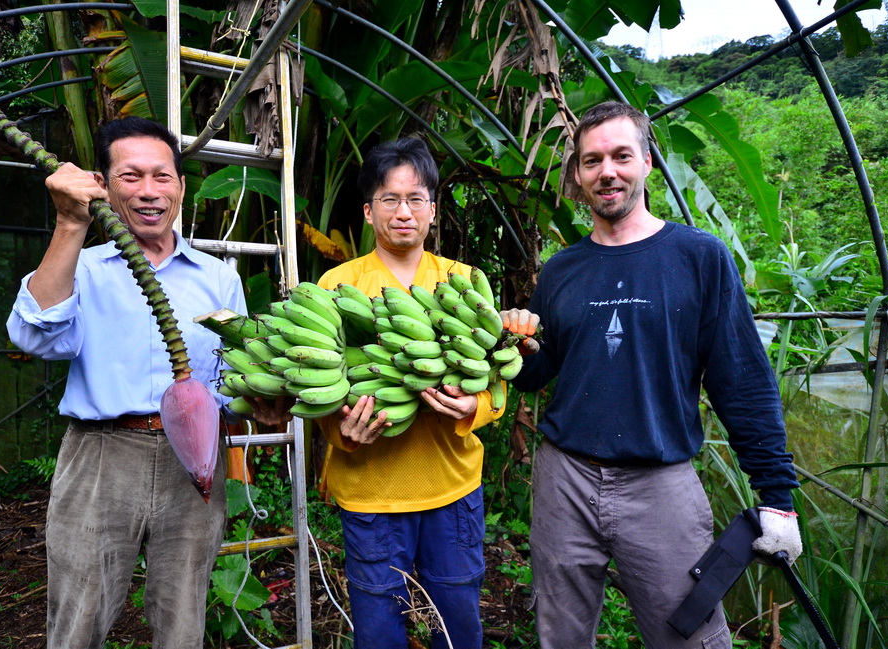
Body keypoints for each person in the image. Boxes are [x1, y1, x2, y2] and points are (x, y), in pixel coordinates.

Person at [504, 102, 803, 648]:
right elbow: (537, 375)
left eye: (621, 156)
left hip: (659, 483)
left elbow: (741, 380)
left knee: (688, 634)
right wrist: (512, 343)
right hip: (563, 480)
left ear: (646, 161)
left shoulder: (699, 257)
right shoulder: (561, 269)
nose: (606, 172)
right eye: (591, 161)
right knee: (560, 635)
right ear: (577, 174)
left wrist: (777, 493)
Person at [6, 117, 247, 649]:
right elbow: (34, 336)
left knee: (183, 617)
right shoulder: (83, 267)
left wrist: (260, 402)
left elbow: (231, 376)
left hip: (194, 464)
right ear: (104, 184)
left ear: (181, 188)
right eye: (131, 176)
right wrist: (70, 224)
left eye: (163, 177)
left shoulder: (219, 278)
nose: (148, 191)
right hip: (101, 456)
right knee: (79, 618)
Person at [318, 137, 504, 648]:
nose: (404, 212)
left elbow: (498, 378)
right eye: (389, 199)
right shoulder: (338, 285)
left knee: (459, 627)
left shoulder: (464, 282)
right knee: (378, 632)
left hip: (452, 489)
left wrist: (476, 407)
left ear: (432, 210)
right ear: (368, 210)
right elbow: (314, 385)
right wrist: (343, 433)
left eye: (415, 198)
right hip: (372, 493)